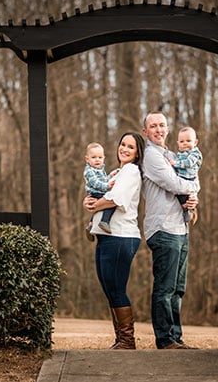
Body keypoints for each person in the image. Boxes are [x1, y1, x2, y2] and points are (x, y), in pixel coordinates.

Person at [141, 111, 200, 350]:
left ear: (167, 129)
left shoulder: (173, 155)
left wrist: (193, 199)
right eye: (153, 126)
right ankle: (164, 339)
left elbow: (189, 176)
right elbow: (175, 184)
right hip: (162, 229)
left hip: (180, 228)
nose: (158, 129)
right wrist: (194, 187)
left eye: (162, 125)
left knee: (178, 289)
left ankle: (176, 338)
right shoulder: (150, 157)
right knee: (165, 288)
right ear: (146, 132)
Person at [83, 132, 146, 350]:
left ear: (137, 152)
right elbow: (101, 192)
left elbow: (116, 198)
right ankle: (120, 339)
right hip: (106, 236)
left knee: (116, 287)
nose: (125, 149)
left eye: (131, 146)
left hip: (121, 237)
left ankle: (127, 340)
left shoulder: (131, 171)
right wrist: (88, 200)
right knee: (109, 287)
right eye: (122, 144)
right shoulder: (116, 171)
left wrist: (95, 205)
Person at [83, 142, 118, 239]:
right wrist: (107, 186)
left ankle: (90, 225)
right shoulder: (89, 171)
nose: (97, 160)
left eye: (100, 157)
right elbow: (95, 183)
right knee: (110, 204)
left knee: (99, 208)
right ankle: (104, 221)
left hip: (99, 191)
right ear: (87, 159)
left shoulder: (100, 169)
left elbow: (104, 180)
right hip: (95, 192)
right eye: (93, 157)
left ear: (103, 158)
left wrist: (111, 175)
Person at [169, 126, 203, 223]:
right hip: (182, 178)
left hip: (189, 179)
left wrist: (175, 163)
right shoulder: (179, 153)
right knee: (181, 198)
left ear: (195, 142)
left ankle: (189, 212)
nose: (185, 144)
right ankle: (186, 209)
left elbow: (189, 163)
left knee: (187, 200)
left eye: (188, 141)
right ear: (178, 143)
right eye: (182, 141)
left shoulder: (195, 153)